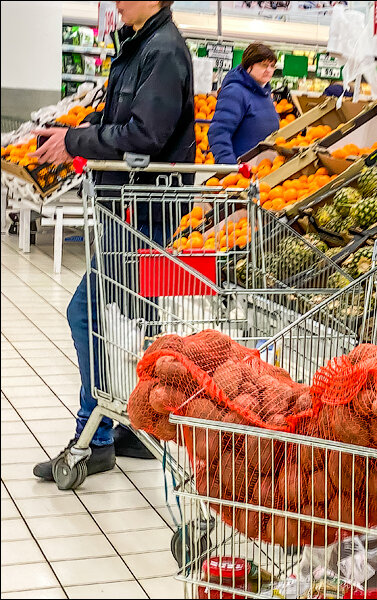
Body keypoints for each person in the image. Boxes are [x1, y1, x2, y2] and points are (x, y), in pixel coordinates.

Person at [29, 0, 195, 480]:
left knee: (89, 312)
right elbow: (122, 126)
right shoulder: (144, 44)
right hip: (132, 210)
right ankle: (137, 424)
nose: (117, 2)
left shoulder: (162, 50)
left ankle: (98, 435)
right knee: (140, 318)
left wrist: (76, 142)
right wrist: (70, 134)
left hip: (142, 213)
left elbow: (144, 135)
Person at [208, 42, 280, 164]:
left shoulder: (265, 93)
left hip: (262, 171)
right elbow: (219, 132)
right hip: (241, 173)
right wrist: (229, 167)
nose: (269, 70)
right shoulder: (235, 92)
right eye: (264, 65)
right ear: (249, 65)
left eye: (272, 66)